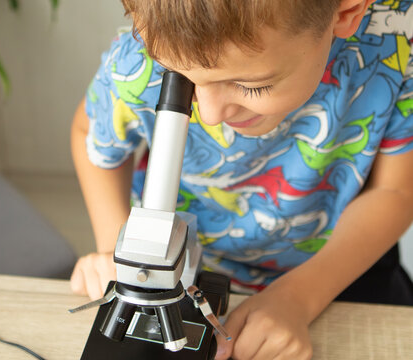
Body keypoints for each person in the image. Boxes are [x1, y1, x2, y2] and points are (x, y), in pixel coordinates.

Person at [70, 0, 413, 358]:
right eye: (182, 78)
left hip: (336, 262)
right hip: (187, 266)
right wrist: (118, 251)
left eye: (249, 86)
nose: (211, 113)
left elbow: (395, 191)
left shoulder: (395, 46)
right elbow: (89, 134)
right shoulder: (136, 61)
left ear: (345, 13)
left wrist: (300, 296)